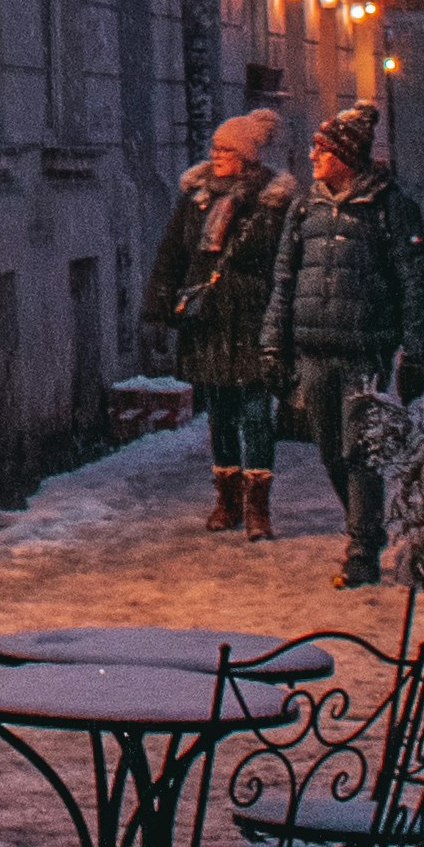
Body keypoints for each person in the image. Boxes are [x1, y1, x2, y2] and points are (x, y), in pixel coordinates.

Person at [264, 100, 424, 586]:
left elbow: (415, 286)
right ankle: (365, 529)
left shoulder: (391, 208)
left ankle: (361, 549)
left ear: (346, 156)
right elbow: (284, 281)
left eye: (322, 150)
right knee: (330, 451)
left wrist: (413, 352)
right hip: (313, 350)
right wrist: (273, 345)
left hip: (365, 350)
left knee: (360, 451)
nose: (312, 156)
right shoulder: (306, 207)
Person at [139, 106, 294, 535]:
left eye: (227, 150)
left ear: (246, 157)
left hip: (253, 318)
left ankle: (258, 507)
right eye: (215, 147)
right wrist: (158, 308)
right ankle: (226, 500)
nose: (217, 155)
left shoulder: (271, 202)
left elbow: (281, 262)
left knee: (257, 413)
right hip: (207, 319)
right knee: (220, 414)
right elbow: (172, 254)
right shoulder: (196, 199)